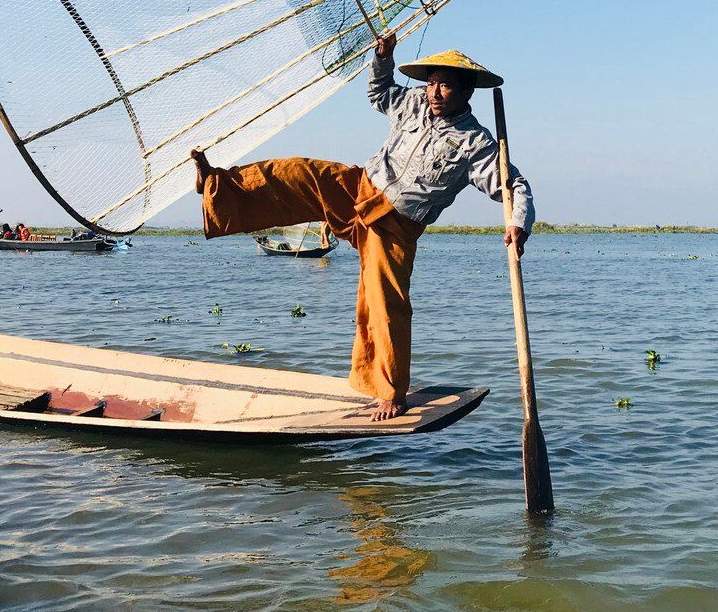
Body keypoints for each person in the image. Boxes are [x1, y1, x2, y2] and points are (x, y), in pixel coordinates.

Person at [192, 34, 534, 422]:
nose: (435, 93)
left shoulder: (475, 143)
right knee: (295, 172)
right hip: (360, 187)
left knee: (384, 304)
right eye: (432, 83)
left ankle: (390, 392)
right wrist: (383, 58)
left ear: (465, 91)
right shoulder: (413, 104)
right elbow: (380, 92)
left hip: (396, 225)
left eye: (446, 85)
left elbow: (512, 186)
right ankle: (216, 186)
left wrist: (517, 222)